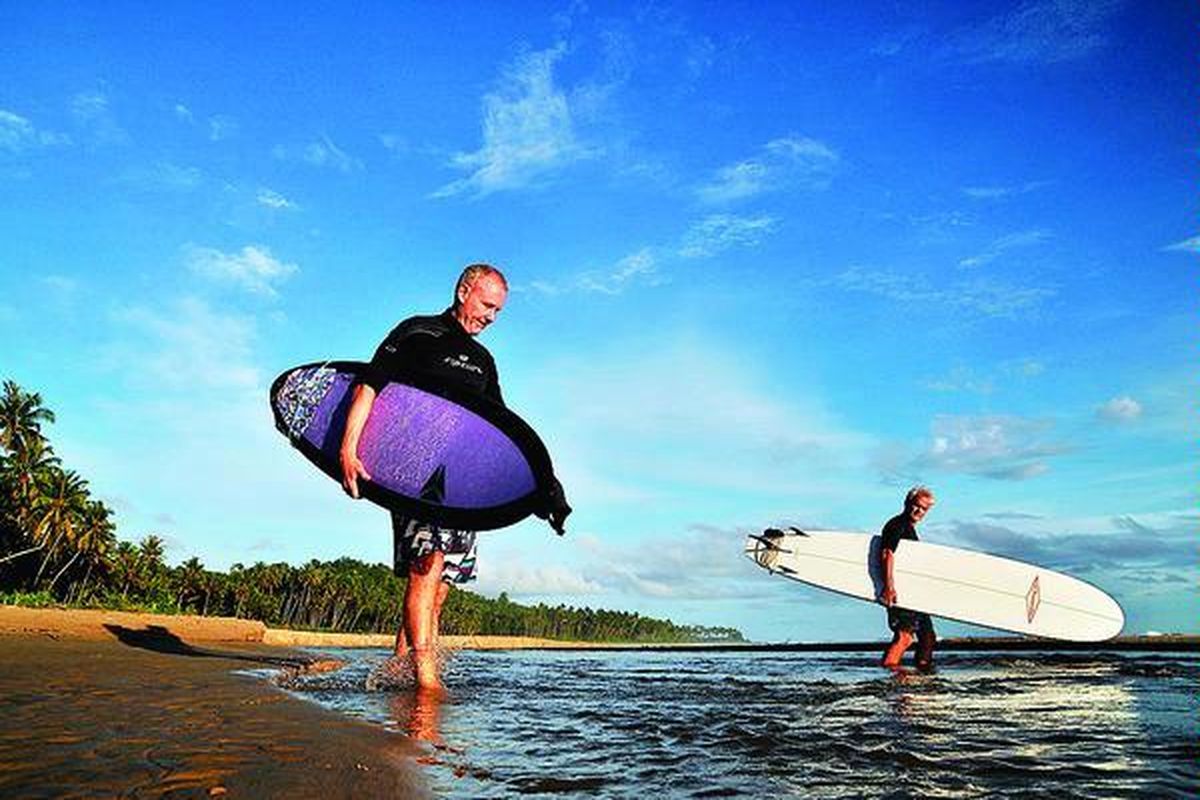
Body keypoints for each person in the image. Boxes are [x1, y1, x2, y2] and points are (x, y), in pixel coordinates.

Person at [339, 263, 570, 690]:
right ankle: (427, 681)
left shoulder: (484, 361)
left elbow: (501, 429)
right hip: (412, 473)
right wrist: (347, 450)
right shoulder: (418, 333)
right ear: (464, 291)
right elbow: (368, 386)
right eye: (487, 305)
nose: (491, 317)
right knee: (426, 568)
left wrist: (543, 489)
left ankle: (398, 668)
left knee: (442, 586)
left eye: (499, 311)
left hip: (460, 488)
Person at [878, 486, 936, 670]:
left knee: (928, 636)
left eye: (924, 509)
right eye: (916, 506)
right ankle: (891, 673)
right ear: (907, 504)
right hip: (900, 592)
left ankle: (923, 674)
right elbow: (887, 553)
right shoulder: (897, 525)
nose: (919, 511)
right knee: (905, 637)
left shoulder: (909, 528)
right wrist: (889, 587)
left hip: (914, 594)